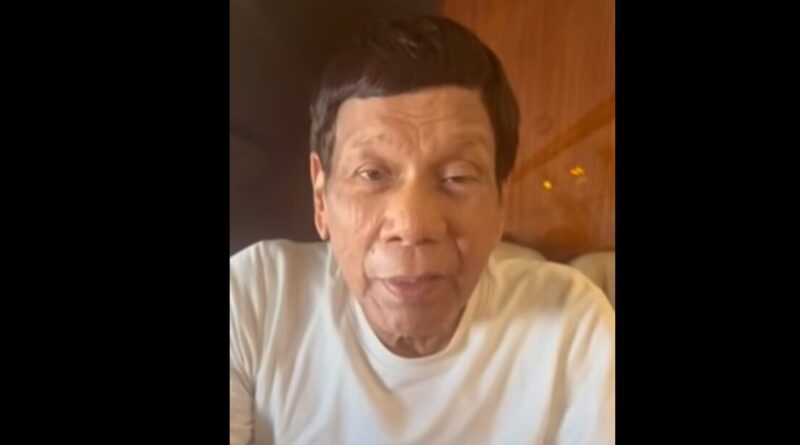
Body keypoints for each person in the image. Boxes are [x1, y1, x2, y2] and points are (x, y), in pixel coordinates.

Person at [230, 14, 614, 445]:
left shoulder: (569, 326)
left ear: (500, 204)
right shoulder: (257, 298)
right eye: (372, 174)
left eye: (457, 177)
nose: (412, 226)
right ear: (321, 198)